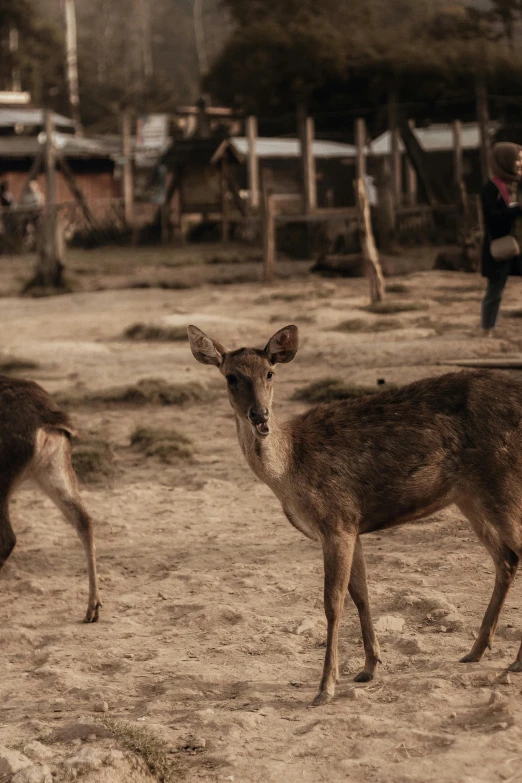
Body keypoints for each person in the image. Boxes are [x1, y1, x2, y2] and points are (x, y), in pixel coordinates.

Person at [480, 142, 522, 337]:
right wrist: (516, 210)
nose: (520, 163)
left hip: (518, 243)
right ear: (505, 162)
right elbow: (493, 217)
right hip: (501, 245)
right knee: (495, 290)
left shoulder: (516, 184)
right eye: (517, 159)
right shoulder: (491, 188)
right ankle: (487, 328)